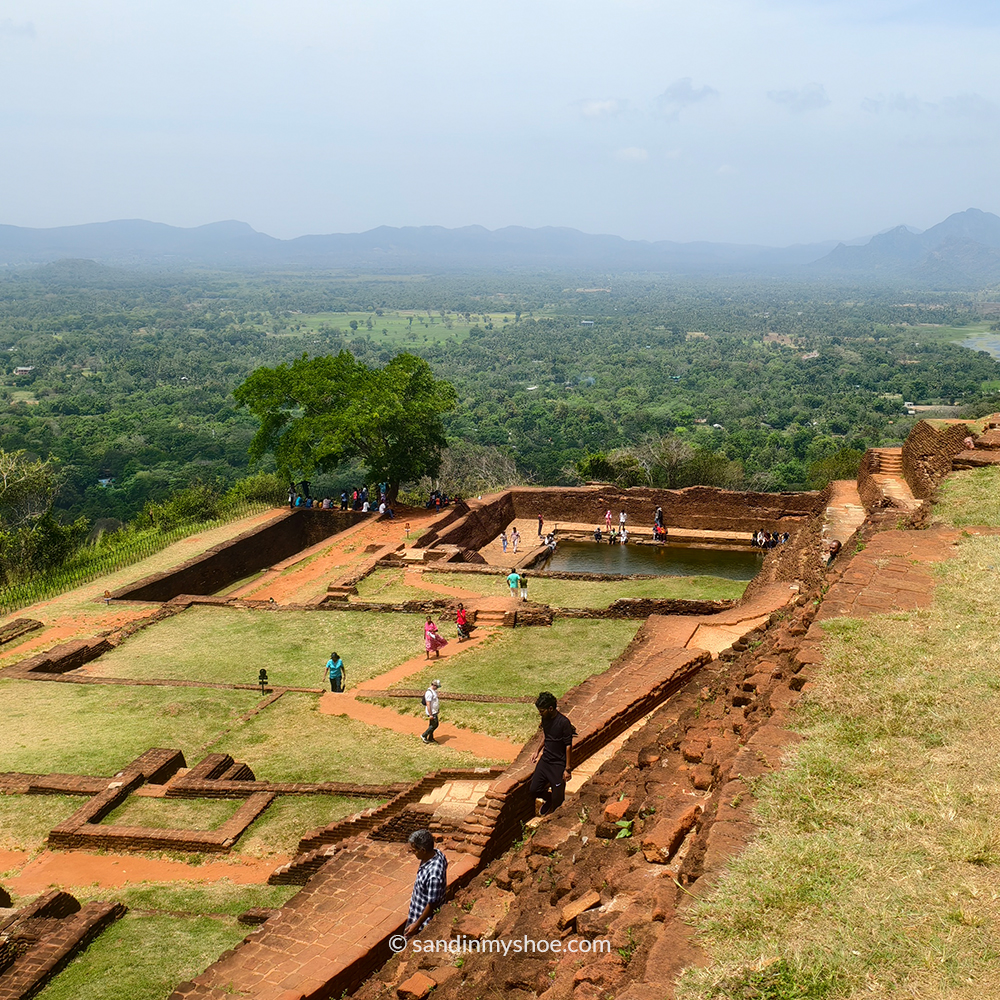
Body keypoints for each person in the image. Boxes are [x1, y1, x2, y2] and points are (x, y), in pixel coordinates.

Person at [529, 692, 576, 815]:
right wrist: (537, 751)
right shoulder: (546, 718)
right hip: (545, 760)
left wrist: (567, 769)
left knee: (558, 800)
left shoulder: (563, 723)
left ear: (551, 708)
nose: (540, 713)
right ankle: (548, 799)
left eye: (542, 710)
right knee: (534, 790)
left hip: (558, 763)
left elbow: (568, 746)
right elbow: (546, 735)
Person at [403, 829, 448, 937]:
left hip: (422, 921)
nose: (412, 852)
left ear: (423, 850)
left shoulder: (434, 875)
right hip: (416, 909)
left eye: (414, 850)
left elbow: (432, 903)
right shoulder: (436, 853)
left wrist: (417, 924)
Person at [421, 679, 441, 743]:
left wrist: (437, 709)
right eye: (437, 687)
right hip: (431, 712)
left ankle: (430, 738)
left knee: (432, 725)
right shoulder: (429, 693)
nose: (437, 688)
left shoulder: (433, 691)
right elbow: (428, 704)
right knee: (435, 725)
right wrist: (430, 714)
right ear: (434, 685)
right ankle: (424, 735)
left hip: (434, 711)